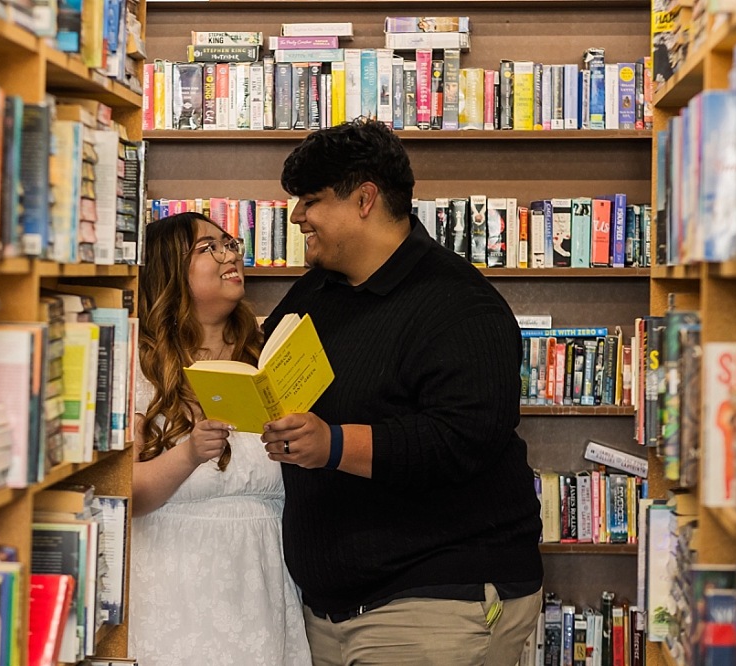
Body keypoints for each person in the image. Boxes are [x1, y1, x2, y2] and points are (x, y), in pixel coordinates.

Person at [259, 119, 544, 666]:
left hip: (434, 605)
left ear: (364, 199)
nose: (297, 217)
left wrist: (334, 445)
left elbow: (460, 440)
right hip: (331, 610)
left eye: (311, 201)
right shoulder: (318, 288)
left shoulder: (461, 304)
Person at [128, 212, 311, 666]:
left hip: (264, 583)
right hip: (176, 586)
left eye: (229, 242)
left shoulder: (265, 355)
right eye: (209, 247)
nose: (230, 254)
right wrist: (189, 453)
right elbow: (128, 493)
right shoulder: (140, 365)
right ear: (170, 271)